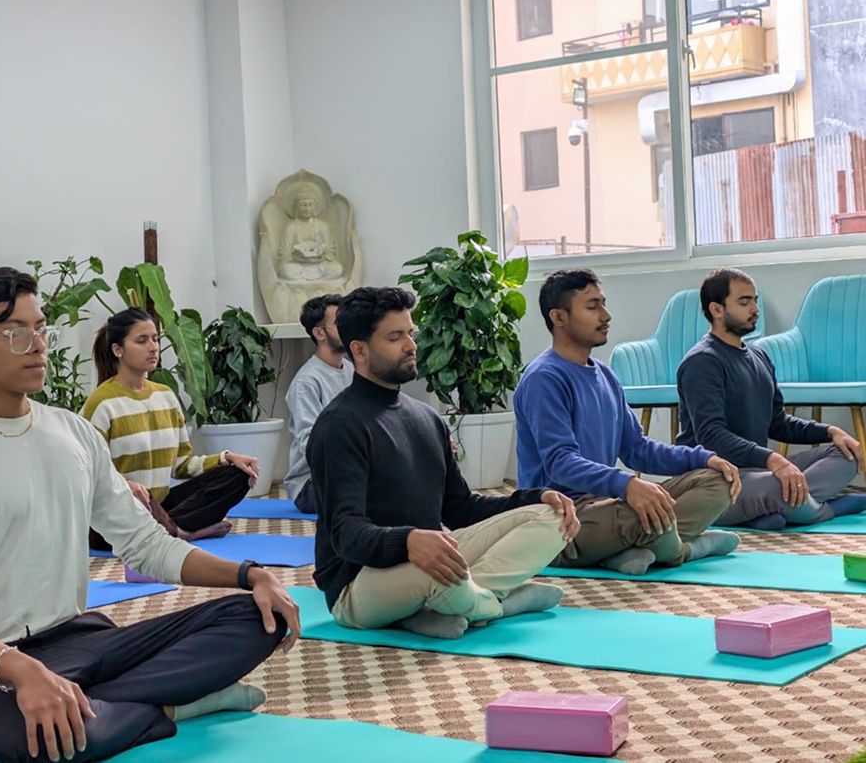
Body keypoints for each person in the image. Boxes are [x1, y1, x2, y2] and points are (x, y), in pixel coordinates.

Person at [0, 267, 300, 763]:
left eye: (41, 328)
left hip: (79, 642)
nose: (38, 345)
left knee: (258, 615)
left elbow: (146, 545)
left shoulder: (73, 434)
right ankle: (169, 706)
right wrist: (21, 671)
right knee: (45, 744)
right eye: (16, 332)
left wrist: (249, 574)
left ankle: (105, 704)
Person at [308, 286, 579, 640]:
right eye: (395, 337)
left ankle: (450, 604)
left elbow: (461, 508)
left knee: (553, 516)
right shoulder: (339, 426)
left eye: (410, 333)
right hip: (358, 583)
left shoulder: (426, 418)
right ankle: (500, 602)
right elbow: (346, 535)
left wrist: (535, 497)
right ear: (359, 350)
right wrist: (407, 542)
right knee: (439, 576)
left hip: (428, 556)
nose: (411, 345)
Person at [513, 269, 742, 577]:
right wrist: (627, 485)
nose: (606, 315)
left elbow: (637, 449)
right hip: (563, 516)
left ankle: (630, 549)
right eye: (592, 307)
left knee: (716, 481)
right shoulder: (544, 378)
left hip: (609, 504)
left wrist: (704, 458)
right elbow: (560, 463)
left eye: (603, 304)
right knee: (640, 512)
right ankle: (687, 548)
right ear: (559, 317)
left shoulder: (606, 375)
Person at [676, 268, 865, 530]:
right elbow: (711, 435)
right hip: (717, 478)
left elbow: (778, 423)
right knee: (780, 484)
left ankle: (778, 511)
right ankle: (828, 508)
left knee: (846, 454)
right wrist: (773, 460)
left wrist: (831, 431)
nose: (754, 308)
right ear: (717, 309)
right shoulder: (702, 362)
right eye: (744, 302)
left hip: (758, 471)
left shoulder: (759, 357)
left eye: (755, 300)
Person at [82, 308, 258, 546]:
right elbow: (87, 472)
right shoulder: (102, 403)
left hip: (161, 506)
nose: (153, 347)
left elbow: (181, 466)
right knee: (139, 503)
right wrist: (125, 485)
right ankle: (181, 533)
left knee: (237, 474)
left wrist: (226, 458)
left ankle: (166, 530)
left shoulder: (165, 396)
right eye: (142, 341)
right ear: (118, 350)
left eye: (155, 338)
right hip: (117, 513)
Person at [283, 294, 353, 514]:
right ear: (319, 333)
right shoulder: (306, 382)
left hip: (352, 473)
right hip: (311, 485)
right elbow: (311, 443)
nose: (348, 328)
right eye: (339, 323)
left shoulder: (352, 370)